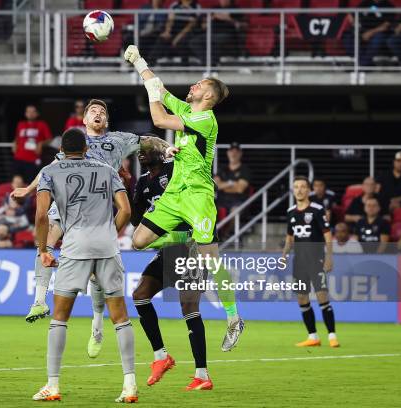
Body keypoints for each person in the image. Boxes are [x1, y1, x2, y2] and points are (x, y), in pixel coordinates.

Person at [11, 98, 170, 359]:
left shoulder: (118, 140)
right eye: (92, 111)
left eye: (102, 111)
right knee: (46, 240)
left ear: (106, 121)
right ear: (84, 120)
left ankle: (97, 323)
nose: (98, 113)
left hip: (99, 211)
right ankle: (39, 301)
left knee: (98, 276)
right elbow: (51, 169)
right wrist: (29, 189)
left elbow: (148, 140)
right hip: (69, 205)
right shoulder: (75, 142)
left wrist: (169, 148)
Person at [123, 44, 243, 389]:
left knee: (212, 261)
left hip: (199, 197)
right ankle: (182, 239)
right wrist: (140, 62)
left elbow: (159, 119)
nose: (194, 85)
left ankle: (234, 318)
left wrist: (150, 90)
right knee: (139, 240)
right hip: (176, 194)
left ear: (209, 96)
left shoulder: (204, 118)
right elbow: (160, 91)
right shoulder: (191, 111)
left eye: (200, 84)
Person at [32, 128, 136, 403]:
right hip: (107, 246)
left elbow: (42, 215)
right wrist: (110, 233)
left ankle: (53, 385)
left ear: (62, 151)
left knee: (59, 318)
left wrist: (44, 250)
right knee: (121, 318)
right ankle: (130, 385)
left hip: (75, 247)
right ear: (87, 148)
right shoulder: (106, 169)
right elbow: (126, 210)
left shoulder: (49, 172)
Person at [131, 142, 241, 390]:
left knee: (188, 305)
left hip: (191, 247)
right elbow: (137, 220)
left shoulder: (176, 168)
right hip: (168, 249)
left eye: (147, 147)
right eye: (140, 147)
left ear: (160, 152)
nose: (141, 150)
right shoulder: (142, 183)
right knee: (140, 295)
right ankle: (161, 356)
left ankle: (202, 374)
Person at [282, 177, 338, 348]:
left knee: (322, 295)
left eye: (303, 187)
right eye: (296, 187)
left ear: (308, 190)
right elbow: (290, 236)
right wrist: (284, 254)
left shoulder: (317, 209)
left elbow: (327, 234)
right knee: (302, 298)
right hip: (299, 261)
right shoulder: (291, 211)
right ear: (293, 190)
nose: (299, 190)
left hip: (316, 259)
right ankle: (313, 336)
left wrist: (329, 257)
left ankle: (332, 336)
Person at [147, 0, 201, 66]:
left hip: (187, 32)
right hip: (174, 30)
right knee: (162, 38)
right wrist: (167, 31)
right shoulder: (175, 5)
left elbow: (191, 25)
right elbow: (170, 20)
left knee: (182, 42)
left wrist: (178, 38)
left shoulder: (196, 6)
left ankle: (184, 66)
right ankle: (150, 63)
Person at [214, 142, 252, 237]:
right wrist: (231, 184)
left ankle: (225, 234)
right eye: (231, 151)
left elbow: (240, 189)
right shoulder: (223, 169)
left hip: (238, 201)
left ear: (240, 154)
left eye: (236, 152)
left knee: (235, 210)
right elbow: (214, 185)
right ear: (228, 153)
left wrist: (223, 186)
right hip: (221, 201)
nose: (234, 154)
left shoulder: (245, 170)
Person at [343, 0, 394, 66]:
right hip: (362, 30)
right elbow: (351, 15)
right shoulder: (365, 3)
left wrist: (370, 33)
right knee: (347, 37)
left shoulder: (388, 6)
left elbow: (386, 25)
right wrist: (356, 26)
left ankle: (361, 65)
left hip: (378, 32)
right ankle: (365, 63)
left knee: (377, 40)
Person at [12, 105, 52, 183]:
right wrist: (14, 143)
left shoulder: (42, 124)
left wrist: (41, 143)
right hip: (18, 157)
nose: (30, 113)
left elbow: (49, 139)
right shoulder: (20, 124)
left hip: (32, 159)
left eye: (33, 111)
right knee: (16, 181)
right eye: (28, 111)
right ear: (25, 114)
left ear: (37, 114)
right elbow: (17, 137)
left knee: (30, 183)